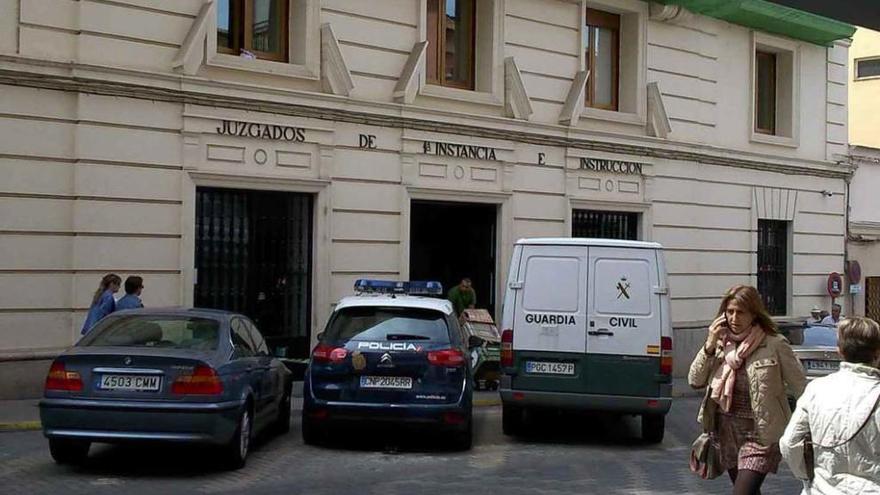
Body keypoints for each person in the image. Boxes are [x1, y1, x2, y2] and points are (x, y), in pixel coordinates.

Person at [689, 285, 806, 495]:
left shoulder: (774, 344)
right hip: (727, 434)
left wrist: (808, 425)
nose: (734, 318)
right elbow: (694, 380)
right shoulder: (720, 344)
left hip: (760, 435)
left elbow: (801, 388)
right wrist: (709, 344)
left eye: (741, 312)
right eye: (730, 311)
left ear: (754, 314)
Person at [780, 317, 880, 494]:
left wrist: (807, 477)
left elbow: (789, 443)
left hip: (822, 489)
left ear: (839, 350)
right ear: (877, 353)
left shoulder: (816, 389)